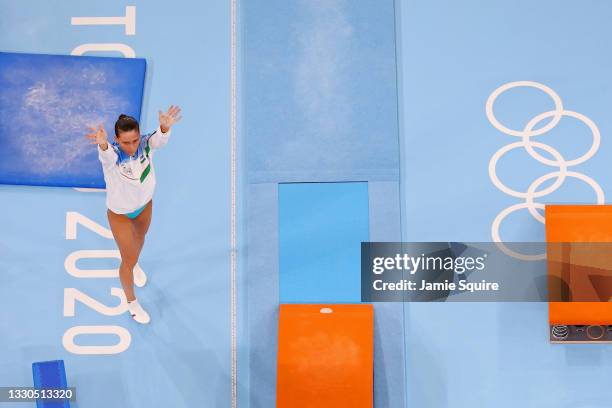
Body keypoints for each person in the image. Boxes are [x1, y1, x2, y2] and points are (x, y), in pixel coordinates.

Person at [86, 106, 182, 324]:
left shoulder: (146, 145)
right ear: (116, 140)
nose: (131, 146)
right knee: (126, 262)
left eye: (135, 140)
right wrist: (102, 144)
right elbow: (105, 153)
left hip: (145, 206)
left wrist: (165, 127)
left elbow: (160, 139)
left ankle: (135, 261)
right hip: (120, 214)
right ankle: (132, 303)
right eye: (125, 142)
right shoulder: (113, 157)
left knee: (140, 239)